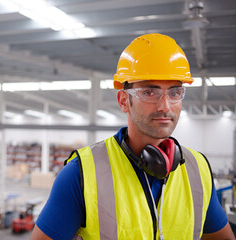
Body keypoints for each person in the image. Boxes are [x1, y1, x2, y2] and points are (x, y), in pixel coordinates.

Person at [30, 33, 235, 240]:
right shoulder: (81, 173)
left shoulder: (197, 169)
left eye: (174, 93)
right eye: (149, 92)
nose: (165, 106)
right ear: (123, 101)